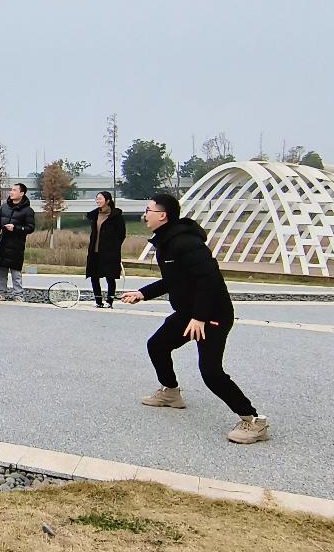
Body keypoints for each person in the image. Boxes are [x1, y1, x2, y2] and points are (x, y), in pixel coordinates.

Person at [121, 193, 269, 444]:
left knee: (211, 372)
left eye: (148, 210)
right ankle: (171, 393)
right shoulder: (167, 241)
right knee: (157, 345)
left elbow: (209, 279)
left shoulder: (186, 242)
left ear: (162, 215)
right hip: (189, 314)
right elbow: (173, 279)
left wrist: (200, 317)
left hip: (213, 315)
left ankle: (254, 421)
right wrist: (142, 294)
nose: (145, 215)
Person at [0, 183, 35, 302]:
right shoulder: (4, 207)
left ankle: (18, 295)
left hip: (16, 246)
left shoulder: (28, 211)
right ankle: (1, 293)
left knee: (16, 272)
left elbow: (30, 228)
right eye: (11, 190)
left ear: (22, 193)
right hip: (1, 243)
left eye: (14, 190)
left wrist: (16, 228)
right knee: (1, 271)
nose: (11, 192)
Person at [85, 190, 126, 308]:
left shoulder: (116, 216)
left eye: (100, 199)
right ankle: (98, 300)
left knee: (110, 276)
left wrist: (113, 246)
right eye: (97, 199)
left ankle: (110, 300)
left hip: (109, 252)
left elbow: (122, 234)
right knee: (94, 276)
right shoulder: (95, 215)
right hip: (94, 251)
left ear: (107, 201)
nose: (97, 201)